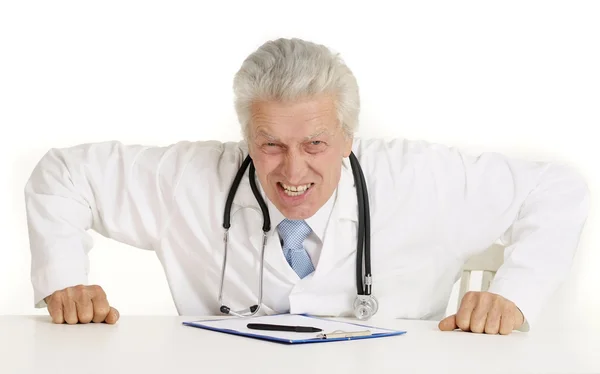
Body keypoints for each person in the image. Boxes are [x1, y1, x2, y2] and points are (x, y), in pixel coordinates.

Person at [24, 37, 590, 335]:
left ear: (349, 137)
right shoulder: (190, 179)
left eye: (315, 144)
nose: (292, 173)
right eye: (270, 145)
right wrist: (64, 280)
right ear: (245, 135)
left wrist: (515, 295)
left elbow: (557, 189)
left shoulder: (421, 181)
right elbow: (63, 173)